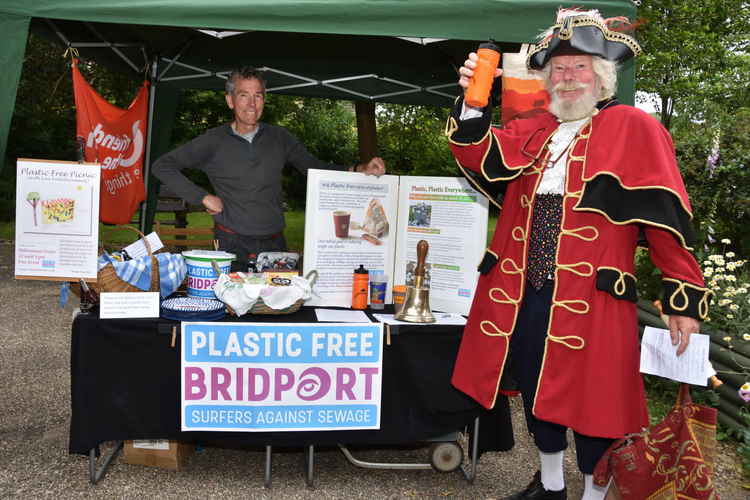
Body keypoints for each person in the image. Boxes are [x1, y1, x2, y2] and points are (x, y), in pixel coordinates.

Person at [445, 9, 712, 500]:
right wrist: (472, 106)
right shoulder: (537, 128)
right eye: (559, 69)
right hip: (525, 290)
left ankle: (592, 491)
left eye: (579, 67)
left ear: (603, 75)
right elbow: (477, 154)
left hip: (593, 296)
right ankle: (550, 485)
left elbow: (666, 219)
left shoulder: (635, 127)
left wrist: (683, 297)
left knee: (593, 403)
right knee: (534, 386)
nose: (568, 78)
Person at [153, 66, 386, 271]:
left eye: (258, 96)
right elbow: (162, 166)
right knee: (234, 316)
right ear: (230, 100)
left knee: (277, 312)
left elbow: (316, 169)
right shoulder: (213, 140)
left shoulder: (279, 137)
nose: (252, 104)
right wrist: (202, 197)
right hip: (231, 245)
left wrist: (359, 168)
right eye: (244, 95)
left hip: (276, 245)